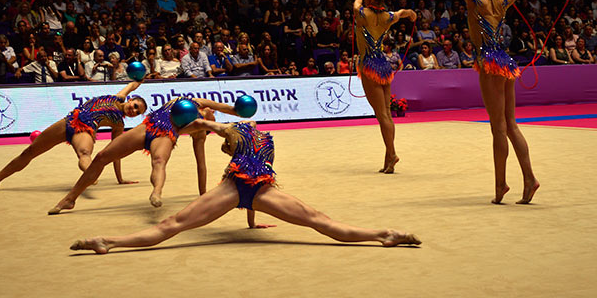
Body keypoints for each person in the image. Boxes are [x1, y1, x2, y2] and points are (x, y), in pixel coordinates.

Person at [69, 118, 421, 254]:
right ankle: (107, 241)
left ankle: (385, 235)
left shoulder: (234, 130)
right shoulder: (263, 135)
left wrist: (189, 119)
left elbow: (202, 121)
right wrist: (252, 219)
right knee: (321, 221)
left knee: (170, 226)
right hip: (251, 189)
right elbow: (207, 124)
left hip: (244, 188)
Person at [451, 0, 566, 204]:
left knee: (498, 128)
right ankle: (528, 179)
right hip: (505, 62)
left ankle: (501, 185)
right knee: (511, 124)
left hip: (489, 65)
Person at [48, 98, 240, 213]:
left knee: (158, 161)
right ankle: (70, 199)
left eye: (210, 117)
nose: (209, 114)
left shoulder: (198, 130)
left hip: (166, 134)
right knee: (101, 157)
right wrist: (239, 110)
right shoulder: (196, 102)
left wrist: (202, 195)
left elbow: (201, 164)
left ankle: (156, 192)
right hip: (147, 126)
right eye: (210, 114)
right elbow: (230, 109)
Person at [0, 81, 147, 191]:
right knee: (29, 152)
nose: (134, 110)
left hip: (85, 129)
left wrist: (120, 178)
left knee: (84, 154)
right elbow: (132, 84)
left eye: (137, 111)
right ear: (130, 100)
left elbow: (115, 153)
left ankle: (90, 174)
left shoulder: (119, 125)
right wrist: (140, 79)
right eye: (135, 105)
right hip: (69, 121)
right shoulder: (118, 97)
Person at [353, 0, 416, 173]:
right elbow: (402, 13)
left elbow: (356, 3)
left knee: (382, 115)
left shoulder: (363, 14)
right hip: (383, 65)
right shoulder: (387, 16)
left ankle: (392, 152)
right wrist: (411, 13)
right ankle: (388, 159)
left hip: (370, 66)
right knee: (387, 113)